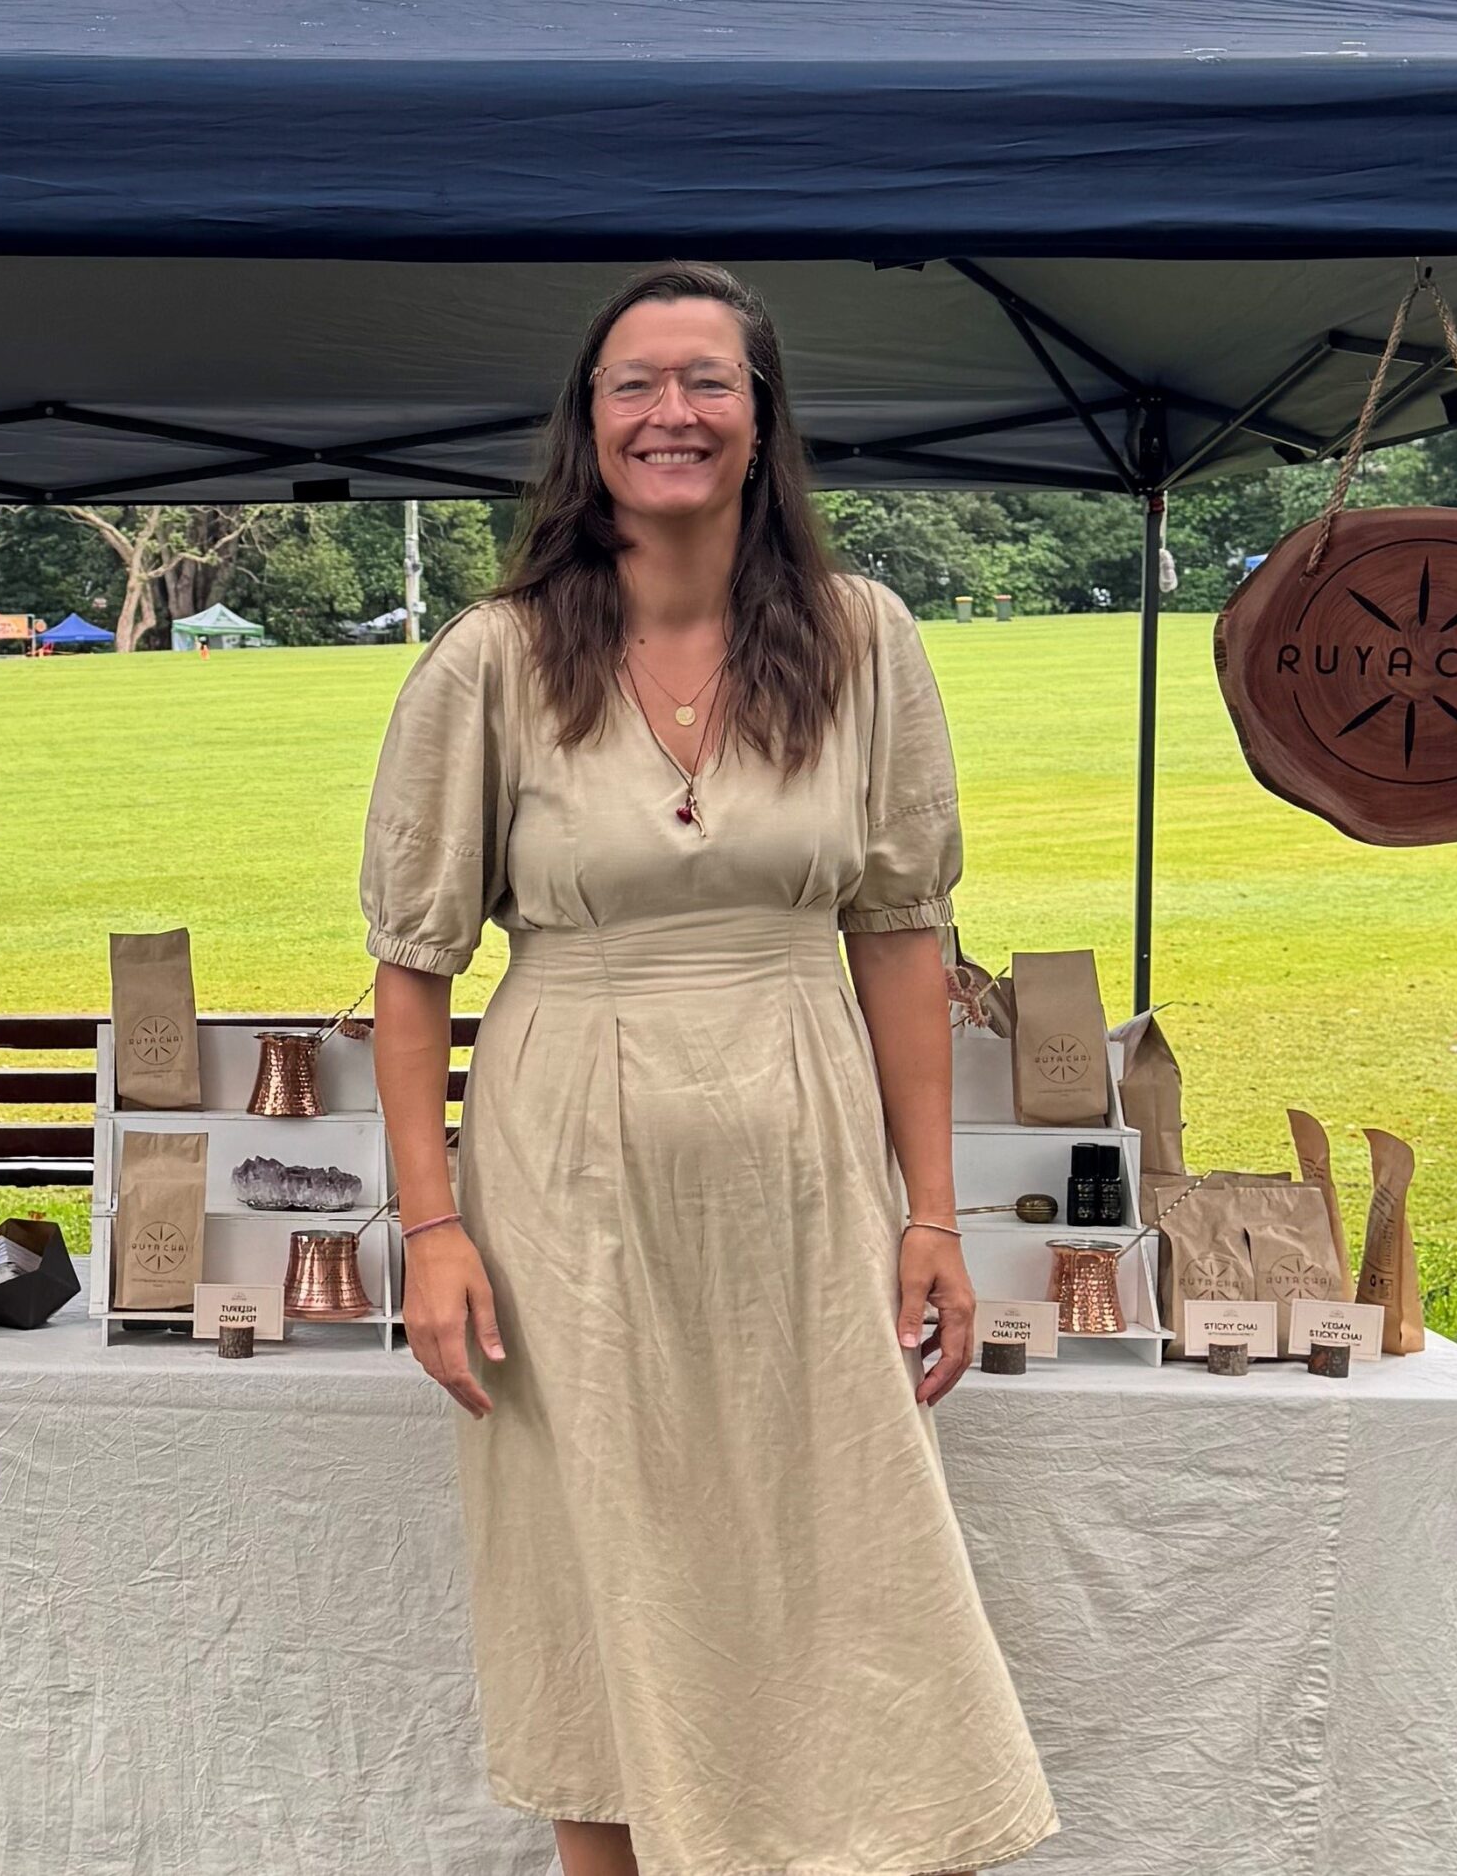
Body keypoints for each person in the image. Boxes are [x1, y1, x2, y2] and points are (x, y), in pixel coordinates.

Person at [361, 263, 1058, 1876]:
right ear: (588, 425)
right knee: (599, 1557)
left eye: (707, 383)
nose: (671, 412)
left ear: (761, 423)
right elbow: (411, 971)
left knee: (843, 1545)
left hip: (806, 1157)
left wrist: (932, 1213)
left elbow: (900, 931)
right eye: (636, 384)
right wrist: (433, 1227)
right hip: (562, 1173)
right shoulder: (494, 659)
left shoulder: (860, 638)